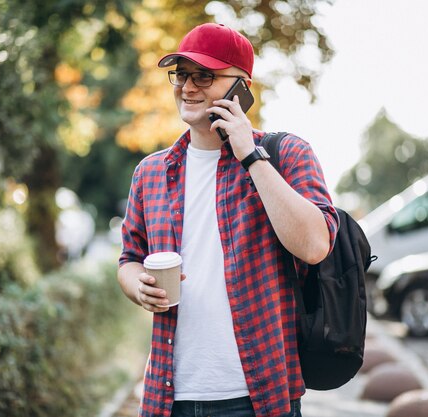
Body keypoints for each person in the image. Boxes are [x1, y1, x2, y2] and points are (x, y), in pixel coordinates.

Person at [117, 22, 338, 417]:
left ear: (241, 87)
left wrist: (249, 154)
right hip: (169, 398)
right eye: (181, 74)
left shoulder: (287, 155)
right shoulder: (151, 173)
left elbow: (315, 245)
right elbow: (129, 259)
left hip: (259, 397)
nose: (187, 87)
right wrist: (139, 287)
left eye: (204, 75)